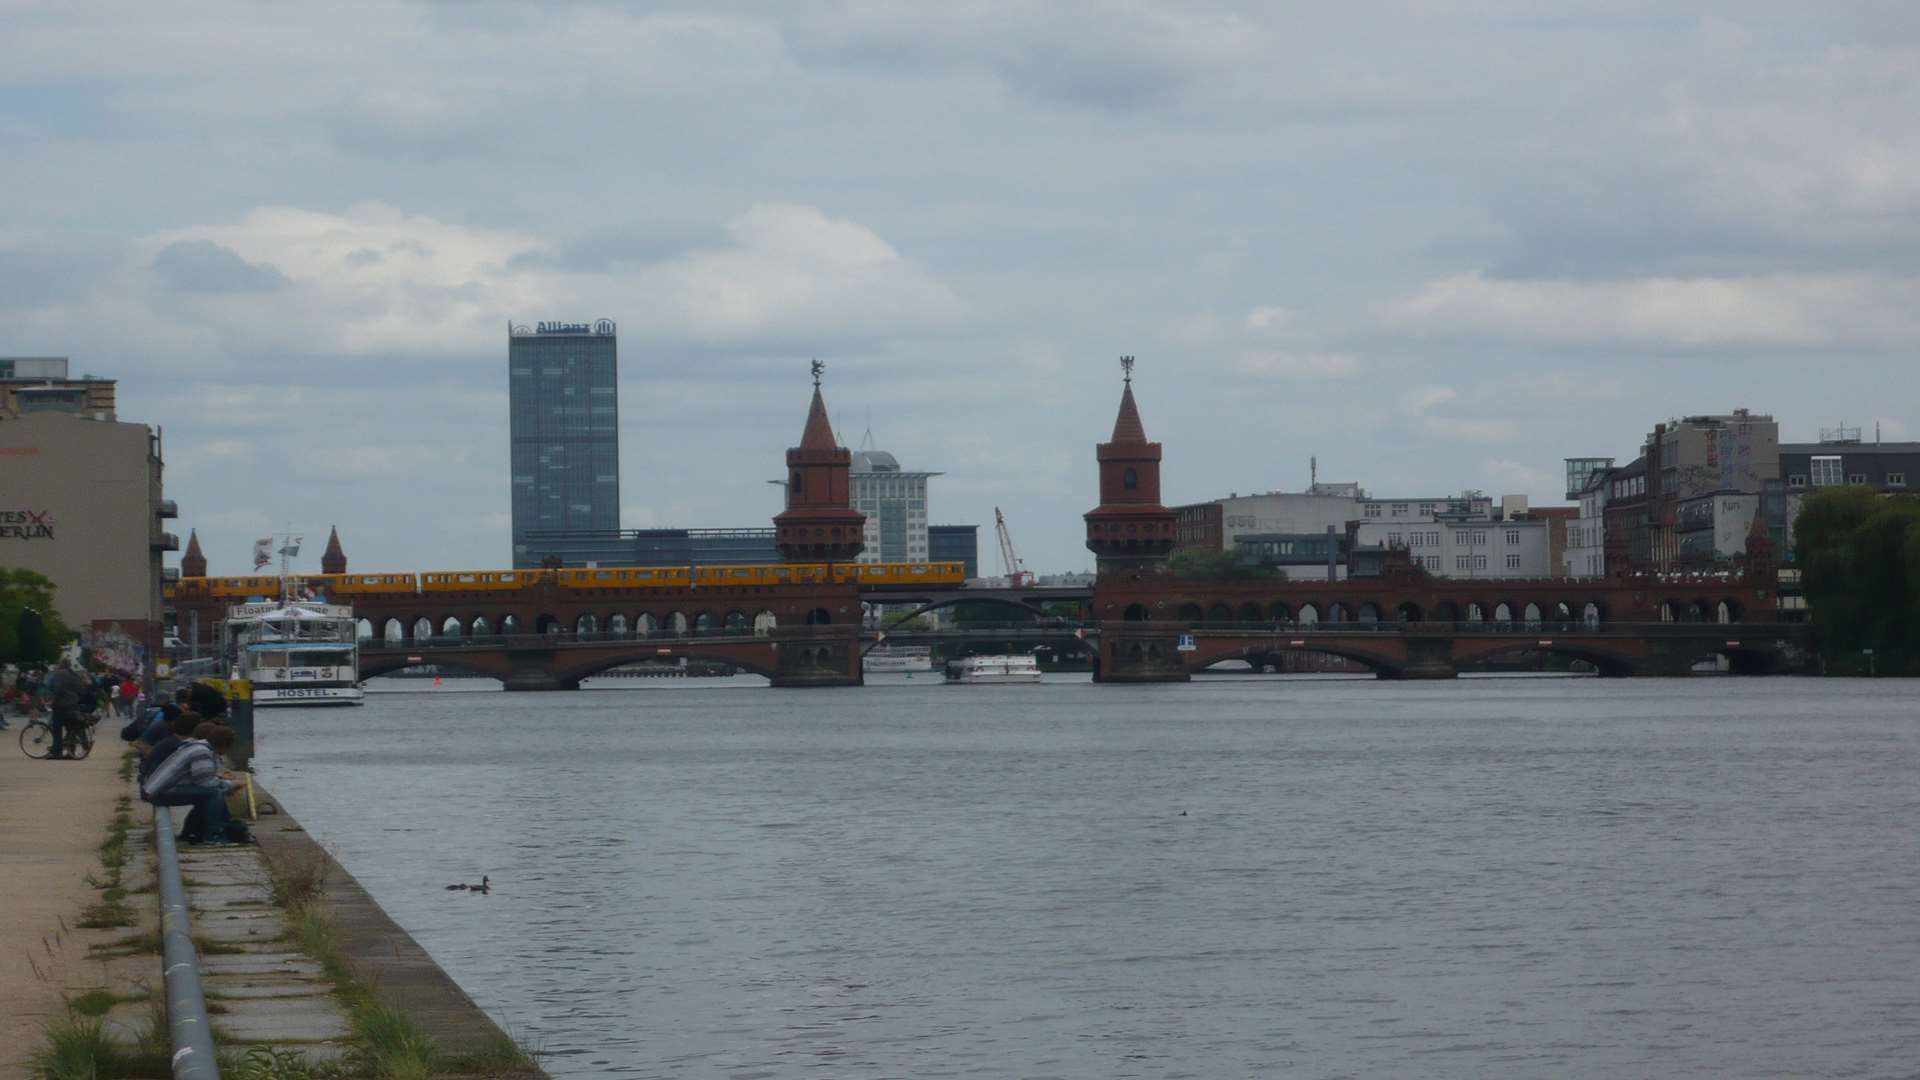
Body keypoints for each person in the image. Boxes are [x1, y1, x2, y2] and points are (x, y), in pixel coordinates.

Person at [142, 722, 241, 844]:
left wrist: (223, 783)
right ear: (225, 744)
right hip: (160, 792)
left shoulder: (198, 747)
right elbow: (206, 783)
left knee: (205, 796)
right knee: (214, 794)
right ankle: (214, 836)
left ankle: (191, 833)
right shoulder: (202, 752)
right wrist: (231, 785)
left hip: (158, 789)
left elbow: (202, 779)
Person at [42, 660, 84, 760]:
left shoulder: (60, 674)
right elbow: (81, 689)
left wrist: (53, 700)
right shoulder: (74, 674)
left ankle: (57, 753)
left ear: (61, 665)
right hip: (73, 704)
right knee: (70, 729)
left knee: (57, 729)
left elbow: (58, 689)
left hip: (61, 705)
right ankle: (71, 752)